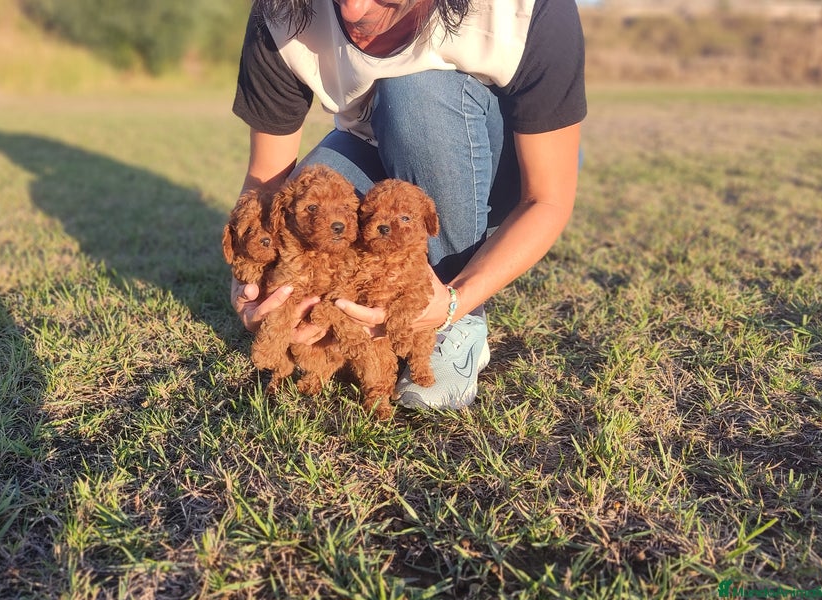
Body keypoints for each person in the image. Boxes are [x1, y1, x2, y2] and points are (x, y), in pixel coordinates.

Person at [229, 0, 586, 410]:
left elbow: (548, 198)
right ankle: (341, 314)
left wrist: (457, 300)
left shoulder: (523, 10)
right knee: (312, 196)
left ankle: (455, 323)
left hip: (505, 165)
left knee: (413, 92)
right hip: (376, 144)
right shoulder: (284, 11)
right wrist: (248, 281)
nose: (353, 7)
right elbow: (267, 183)